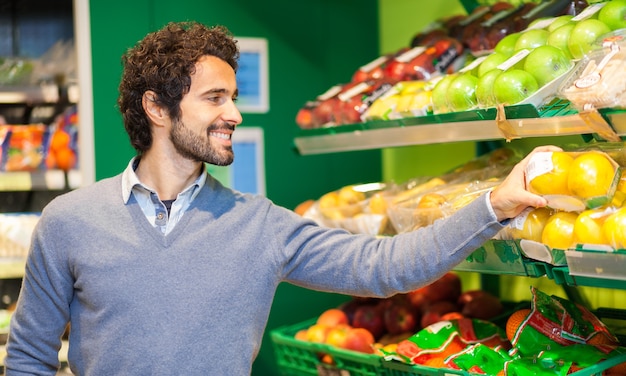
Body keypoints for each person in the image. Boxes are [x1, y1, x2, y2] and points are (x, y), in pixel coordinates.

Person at [4, 21, 560, 375]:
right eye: (215, 98)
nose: (235, 114)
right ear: (156, 108)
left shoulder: (260, 225)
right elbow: (29, 359)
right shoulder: (70, 222)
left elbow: (386, 266)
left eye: (235, 97)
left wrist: (497, 205)